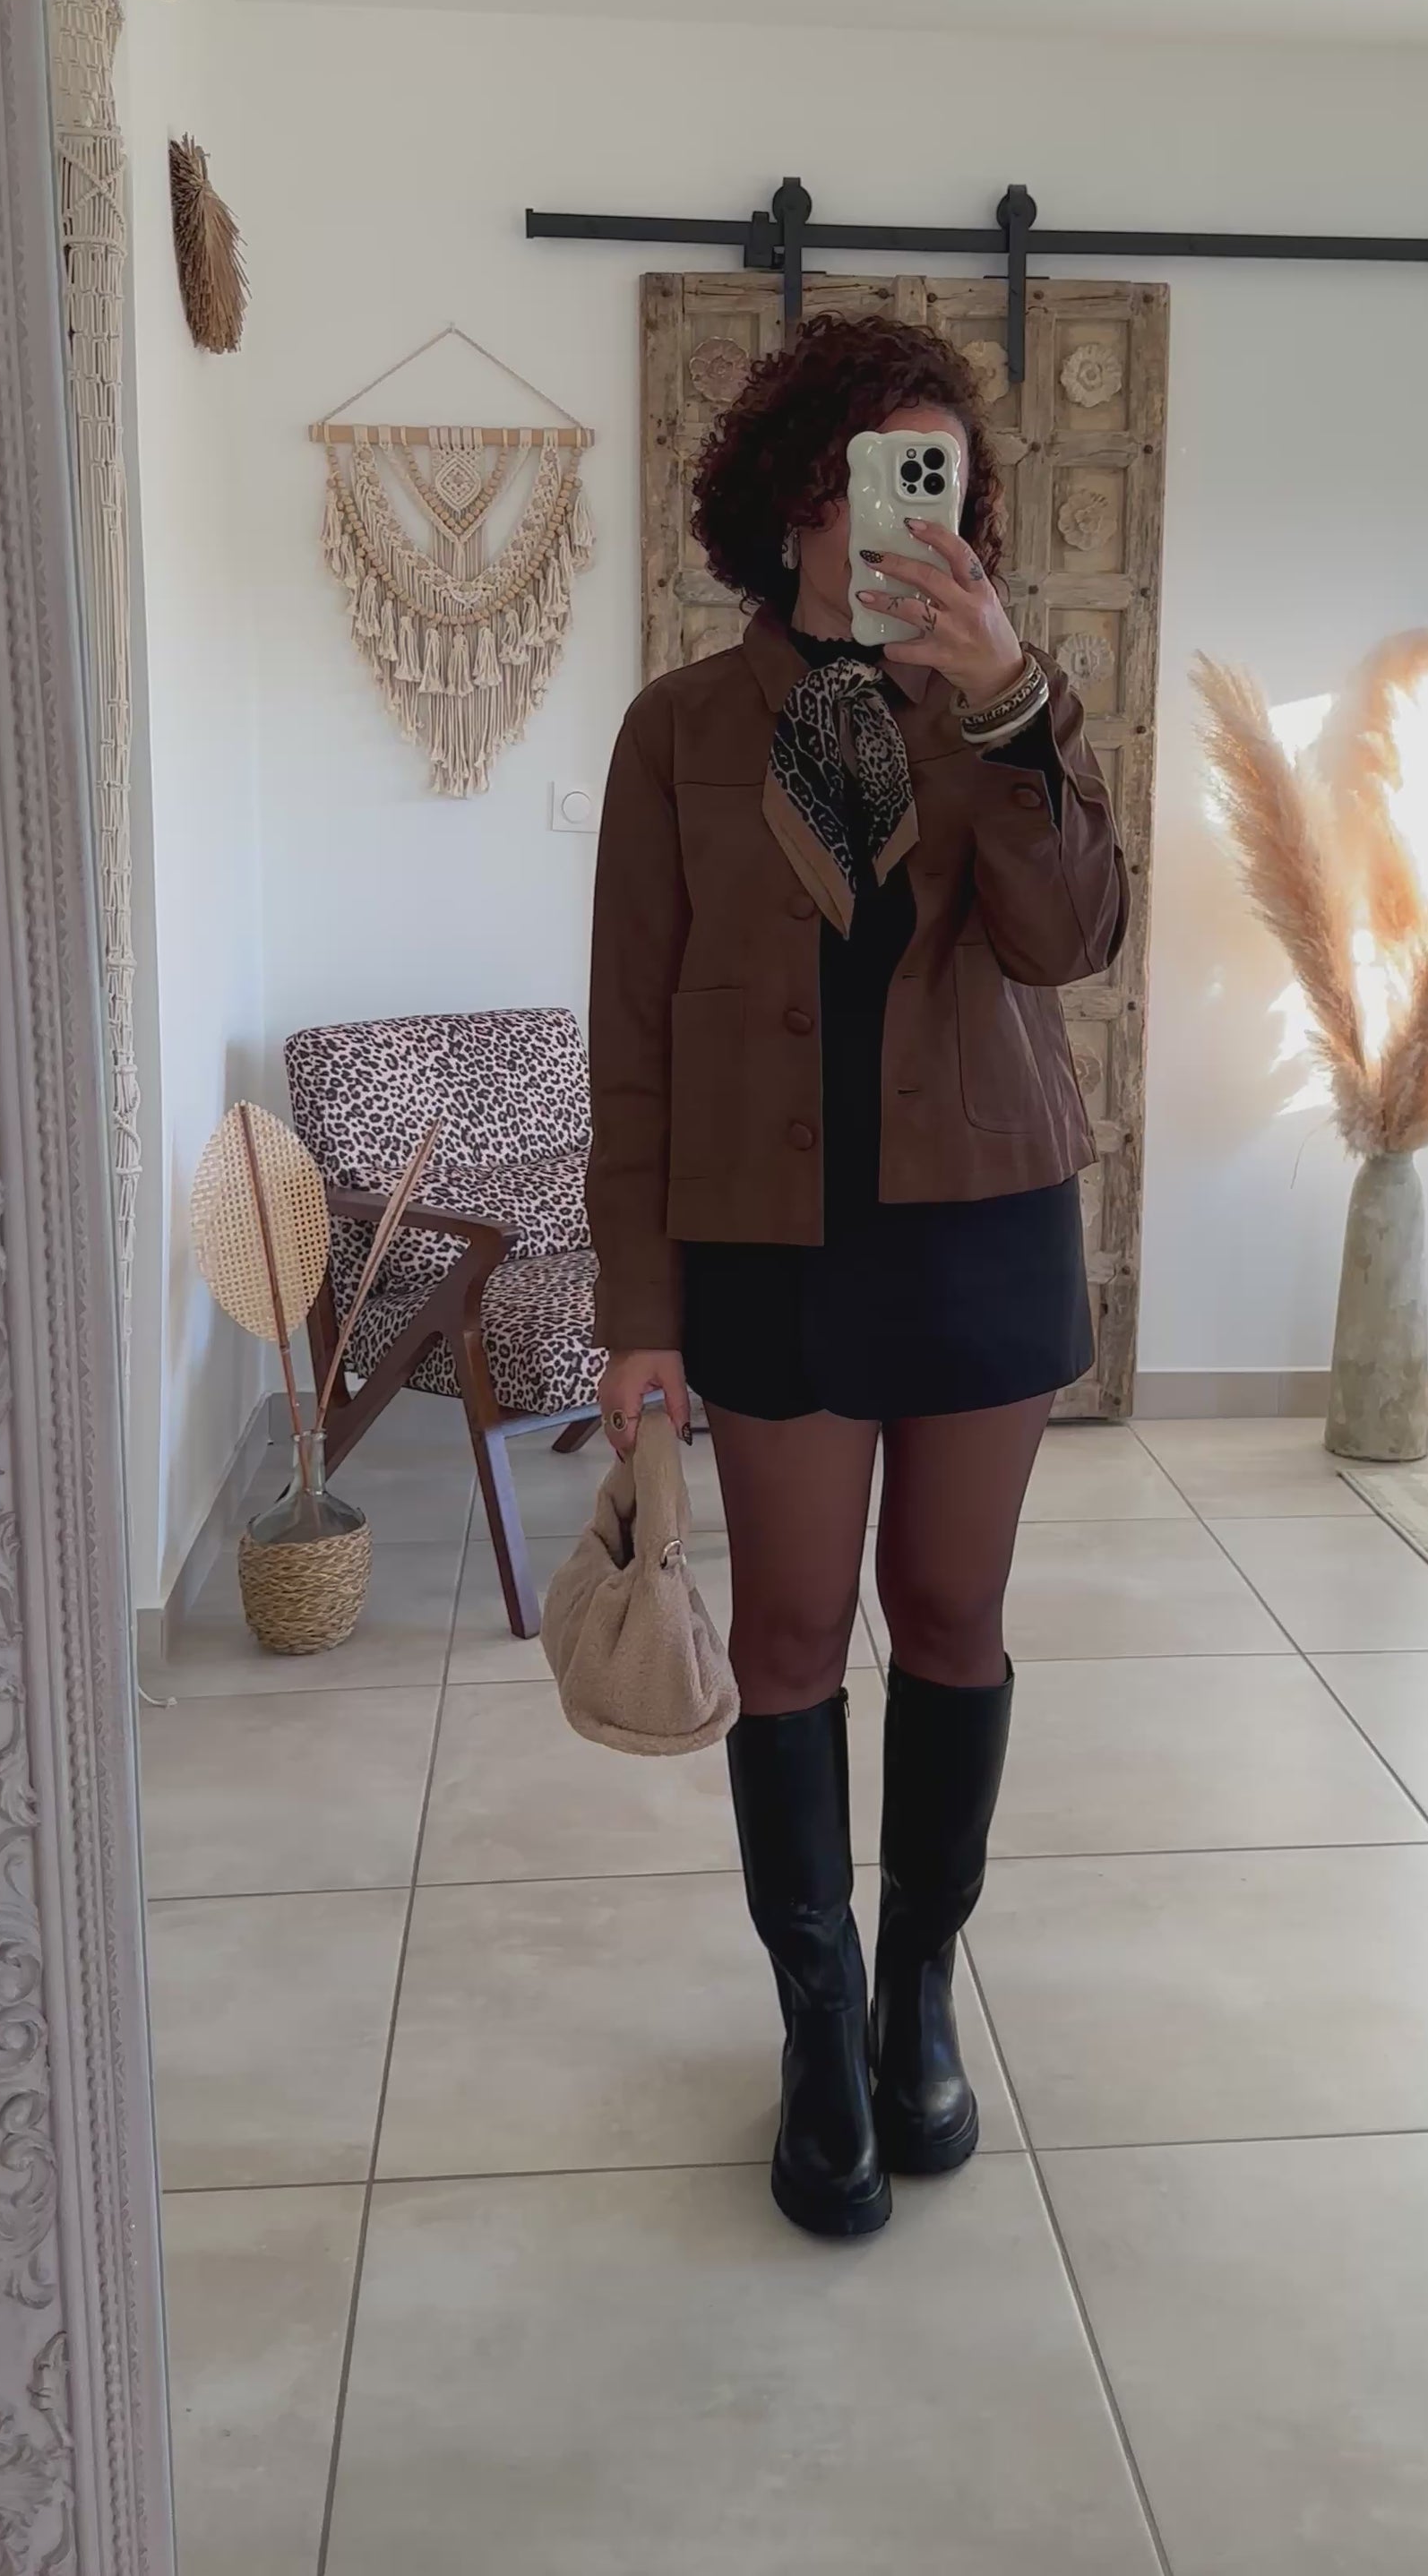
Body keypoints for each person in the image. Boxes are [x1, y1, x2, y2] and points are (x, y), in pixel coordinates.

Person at [587, 312, 1130, 2240]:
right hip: (767, 1240)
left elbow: (1072, 941)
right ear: (791, 498)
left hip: (979, 1221)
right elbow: (631, 1041)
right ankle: (816, 2018)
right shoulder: (677, 728)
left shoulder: (1007, 708)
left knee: (953, 1614)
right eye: (865, 473)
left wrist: (1008, 707)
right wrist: (637, 1312)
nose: (905, 511)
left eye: (936, 477)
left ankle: (918, 1992)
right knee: (795, 1636)